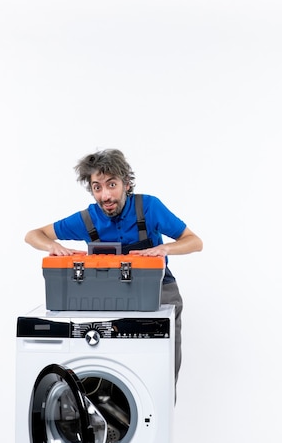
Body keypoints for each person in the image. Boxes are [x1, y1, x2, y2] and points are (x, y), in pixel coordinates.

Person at [25, 148, 203, 388]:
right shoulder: (88, 219)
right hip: (107, 300)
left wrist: (164, 249)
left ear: (126, 184)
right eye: (97, 187)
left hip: (160, 293)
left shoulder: (148, 207)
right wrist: (53, 246)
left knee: (161, 377)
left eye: (111, 185)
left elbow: (194, 241)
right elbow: (32, 235)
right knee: (112, 376)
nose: (105, 195)